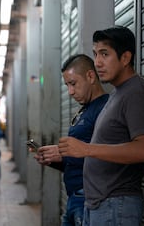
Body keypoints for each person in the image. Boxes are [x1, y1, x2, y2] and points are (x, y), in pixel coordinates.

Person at [58, 26, 144, 226]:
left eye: (105, 54)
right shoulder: (117, 94)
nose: (98, 63)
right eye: (95, 54)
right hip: (101, 204)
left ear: (125, 58)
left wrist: (86, 149)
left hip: (116, 205)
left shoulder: (135, 93)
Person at [32, 54, 109, 226]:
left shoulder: (106, 109)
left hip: (89, 198)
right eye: (67, 85)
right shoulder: (84, 111)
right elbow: (78, 157)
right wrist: (55, 159)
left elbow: (107, 157)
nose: (70, 92)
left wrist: (64, 154)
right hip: (74, 197)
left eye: (73, 84)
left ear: (90, 76)